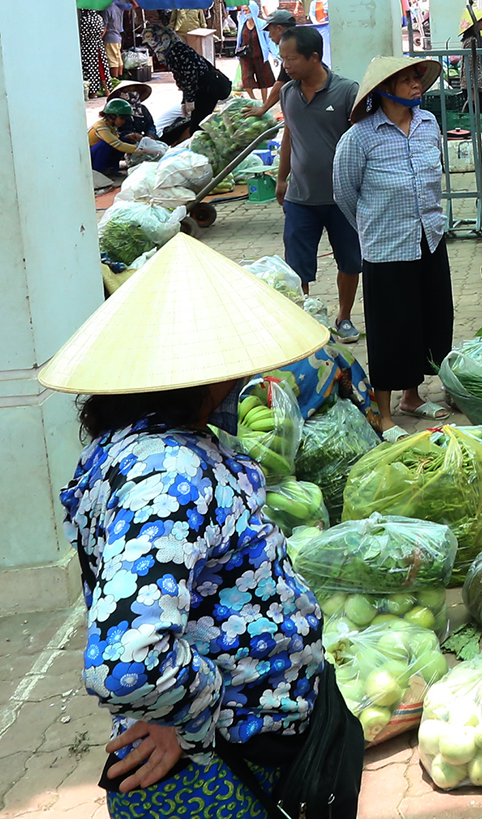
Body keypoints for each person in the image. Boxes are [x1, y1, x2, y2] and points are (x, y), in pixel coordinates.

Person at [42, 233, 339, 816]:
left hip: (234, 752)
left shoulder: (143, 443)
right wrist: (196, 716)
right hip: (217, 772)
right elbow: (126, 663)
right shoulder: (166, 472)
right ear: (204, 379)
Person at [332, 56, 453, 428]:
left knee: (430, 318)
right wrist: (374, 226)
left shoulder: (429, 125)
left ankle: (411, 398)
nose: (417, 84)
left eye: (417, 78)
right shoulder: (360, 138)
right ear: (383, 91)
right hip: (387, 248)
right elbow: (343, 193)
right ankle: (384, 415)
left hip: (429, 238)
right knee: (390, 329)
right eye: (406, 80)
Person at [274, 25, 364, 344]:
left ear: (314, 58)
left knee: (350, 261)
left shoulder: (346, 91)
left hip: (343, 199)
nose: (285, 65)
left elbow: (362, 140)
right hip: (300, 197)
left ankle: (344, 317)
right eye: (283, 58)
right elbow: (289, 136)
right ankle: (306, 321)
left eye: (292, 58)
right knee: (297, 266)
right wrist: (282, 178)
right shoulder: (288, 93)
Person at [142, 22, 236, 143]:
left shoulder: (177, 50)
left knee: (198, 126)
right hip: (201, 90)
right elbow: (182, 78)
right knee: (196, 124)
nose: (151, 46)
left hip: (205, 91)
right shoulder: (171, 50)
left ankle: (201, 150)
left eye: (151, 42)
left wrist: (189, 99)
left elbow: (190, 76)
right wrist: (185, 100)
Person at [89, 99, 143, 180]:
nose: (124, 121)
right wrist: (141, 150)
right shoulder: (101, 126)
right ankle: (99, 171)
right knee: (106, 144)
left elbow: (117, 139)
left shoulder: (111, 126)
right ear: (112, 116)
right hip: (91, 158)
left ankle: (112, 169)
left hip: (99, 154)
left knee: (124, 139)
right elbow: (116, 144)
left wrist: (128, 137)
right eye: (122, 118)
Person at [104, 0, 138, 80]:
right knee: (118, 59)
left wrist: (100, 38)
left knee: (112, 60)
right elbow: (135, 5)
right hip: (118, 36)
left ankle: (114, 79)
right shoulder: (120, 7)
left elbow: (104, 27)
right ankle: (120, 77)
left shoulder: (107, 8)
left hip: (110, 37)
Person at [80, 6, 112, 98]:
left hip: (88, 47)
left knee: (90, 69)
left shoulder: (85, 19)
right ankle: (107, 89)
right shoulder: (99, 18)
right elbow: (102, 30)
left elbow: (83, 34)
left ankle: (93, 92)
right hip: (99, 45)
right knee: (102, 67)